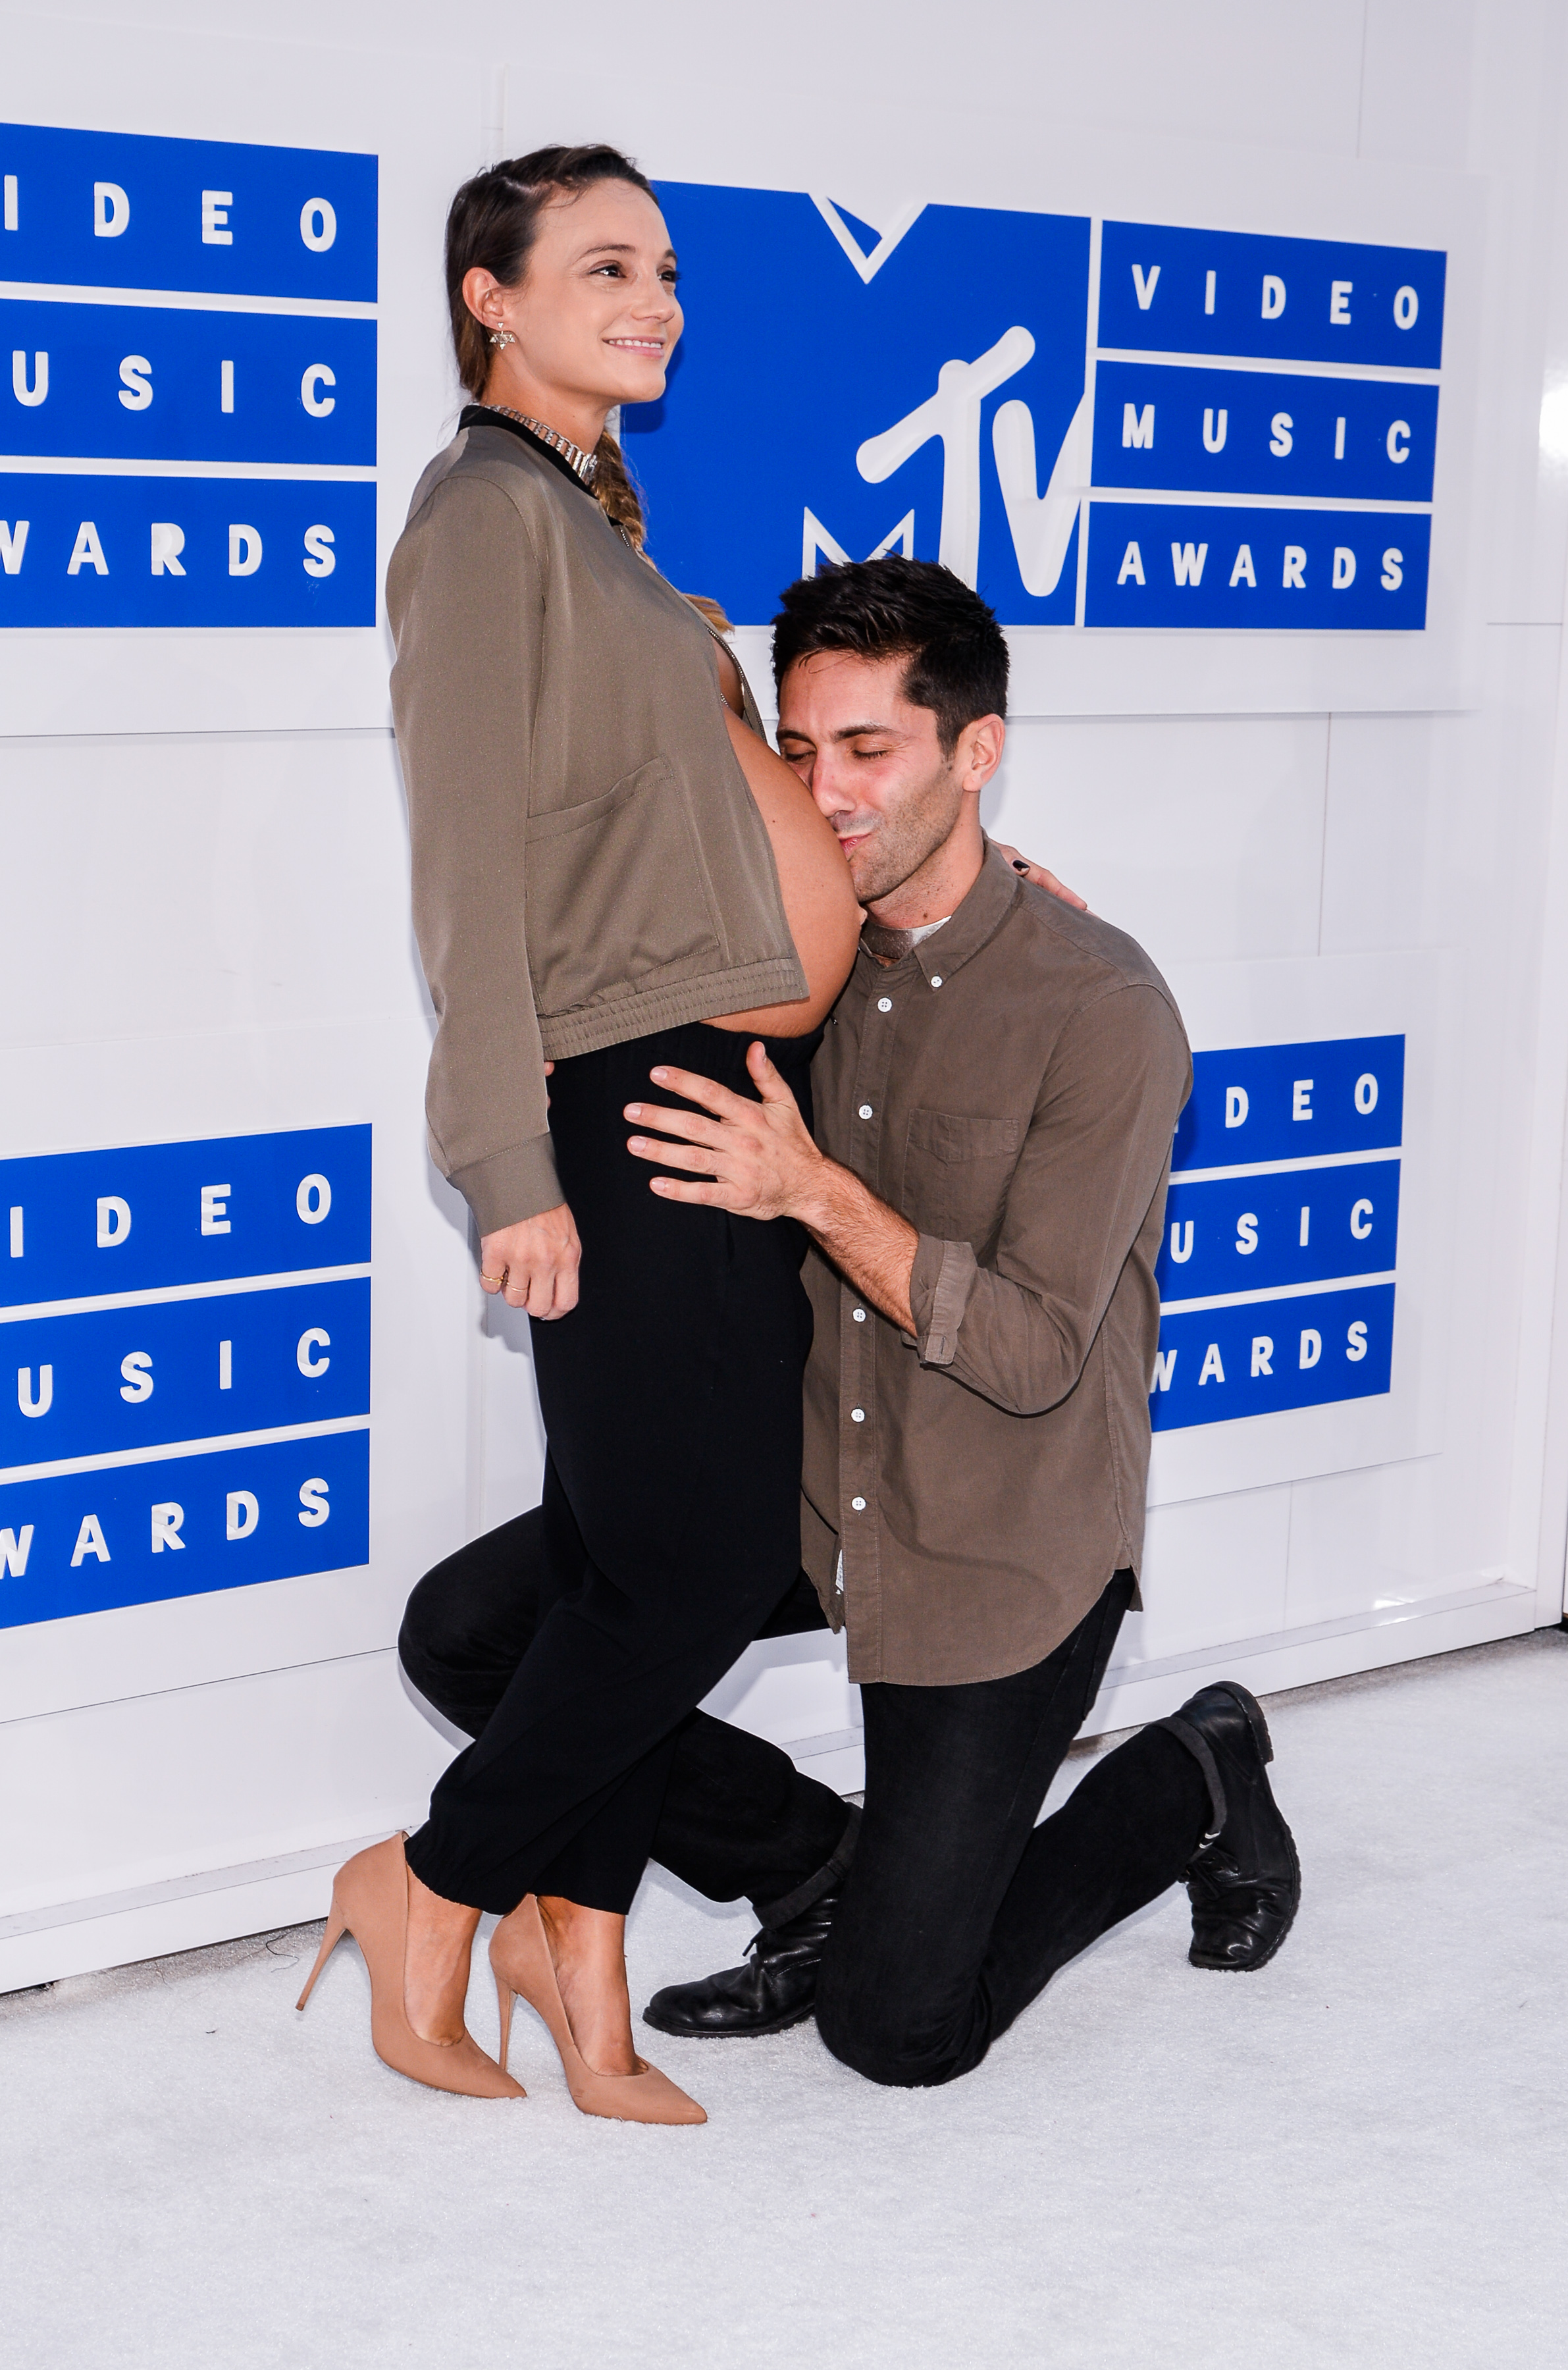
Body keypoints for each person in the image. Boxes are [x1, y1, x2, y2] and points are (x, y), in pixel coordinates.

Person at [400, 556, 1301, 2088]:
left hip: (991, 1544)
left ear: (978, 750)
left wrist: (815, 1192)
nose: (824, 798)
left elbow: (1027, 1353)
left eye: (869, 751)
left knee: (898, 2034)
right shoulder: (780, 971)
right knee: (472, 1635)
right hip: (809, 1495)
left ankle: (1187, 1774)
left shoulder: (1099, 1008)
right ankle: (820, 1865)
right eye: (798, 752)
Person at [295, 145, 861, 2122]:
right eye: (604, 265)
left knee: (653, 1558)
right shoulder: (479, 520)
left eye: (668, 270)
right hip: (605, 1105)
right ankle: (428, 1882)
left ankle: (577, 1955)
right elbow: (465, 869)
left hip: (707, 1089)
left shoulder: (587, 520)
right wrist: (509, 1167)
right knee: (687, 1571)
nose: (655, 299)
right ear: (490, 298)